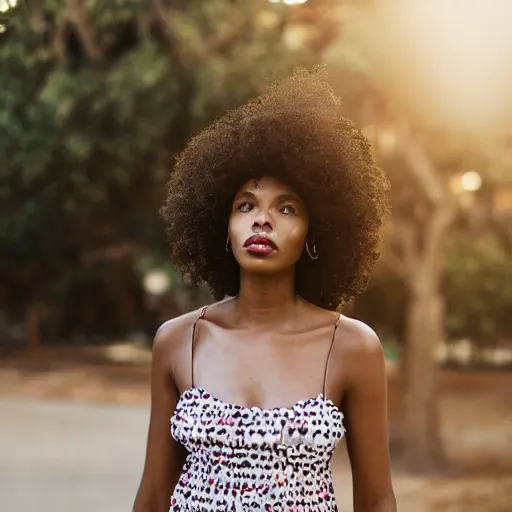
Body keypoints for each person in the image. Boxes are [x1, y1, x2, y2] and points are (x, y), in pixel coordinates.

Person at [133, 68, 396, 512]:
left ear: (316, 229)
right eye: (245, 205)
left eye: (286, 207)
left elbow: (375, 500)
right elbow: (155, 494)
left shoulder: (352, 347)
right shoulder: (179, 341)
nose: (262, 220)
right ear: (223, 223)